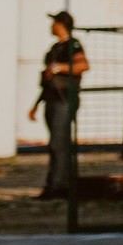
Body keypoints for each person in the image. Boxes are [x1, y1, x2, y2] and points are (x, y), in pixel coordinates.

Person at [30, 11, 85, 202]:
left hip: (64, 100)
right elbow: (47, 80)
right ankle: (55, 184)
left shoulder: (72, 45)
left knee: (59, 144)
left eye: (54, 22)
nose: (51, 25)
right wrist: (35, 105)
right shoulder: (55, 47)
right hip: (51, 98)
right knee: (55, 144)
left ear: (61, 24)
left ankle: (59, 186)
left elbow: (82, 66)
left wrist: (58, 68)